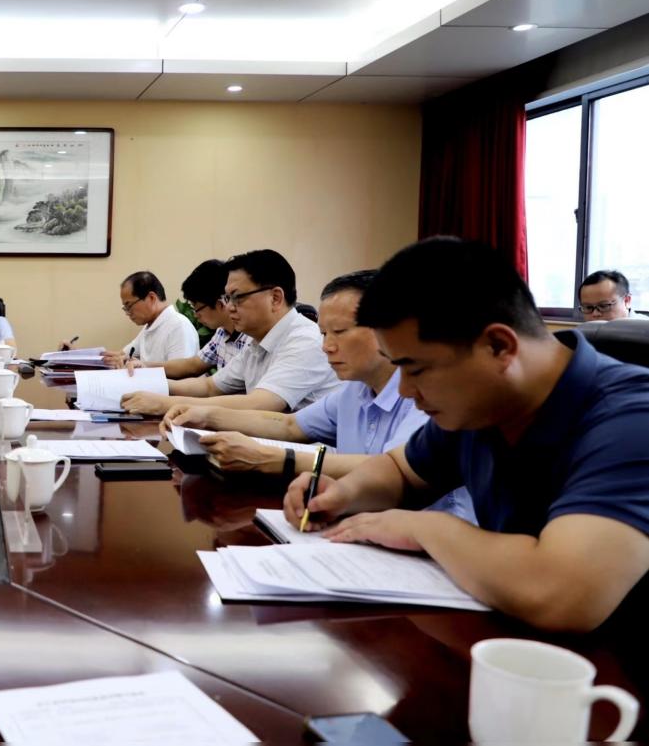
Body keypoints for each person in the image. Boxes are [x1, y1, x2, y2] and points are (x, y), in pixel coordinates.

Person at [282, 237, 649, 632]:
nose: (405, 390)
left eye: (416, 369)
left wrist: (423, 528)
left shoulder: (632, 419)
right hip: (504, 632)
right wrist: (342, 493)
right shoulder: (485, 402)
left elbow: (560, 593)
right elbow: (400, 470)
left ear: (498, 346)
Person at [164, 270, 473, 520]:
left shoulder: (430, 395)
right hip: (358, 525)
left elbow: (393, 471)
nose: (326, 346)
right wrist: (208, 416)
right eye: (324, 333)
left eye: (339, 332)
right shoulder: (355, 389)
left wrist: (275, 459)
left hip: (430, 546)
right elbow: (291, 426)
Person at [121, 250, 338, 416]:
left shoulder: (304, 340)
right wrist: (148, 383)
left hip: (309, 456)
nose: (230, 307)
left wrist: (164, 403)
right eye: (227, 298)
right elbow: (209, 386)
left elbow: (259, 404)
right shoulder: (256, 342)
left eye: (237, 297)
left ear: (275, 298)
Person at [128, 260, 249, 380]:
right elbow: (193, 365)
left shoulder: (249, 340)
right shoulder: (221, 333)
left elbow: (211, 386)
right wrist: (145, 366)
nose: (196, 315)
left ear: (220, 304)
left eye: (197, 308)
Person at [101, 271, 198, 368]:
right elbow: (122, 355)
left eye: (129, 306)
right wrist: (99, 357)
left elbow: (180, 372)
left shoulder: (179, 326)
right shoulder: (150, 326)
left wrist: (143, 367)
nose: (127, 313)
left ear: (151, 298)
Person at [578, 269, 646, 321]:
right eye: (588, 308)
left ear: (626, 301)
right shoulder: (584, 332)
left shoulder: (645, 329)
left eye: (603, 306)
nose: (595, 314)